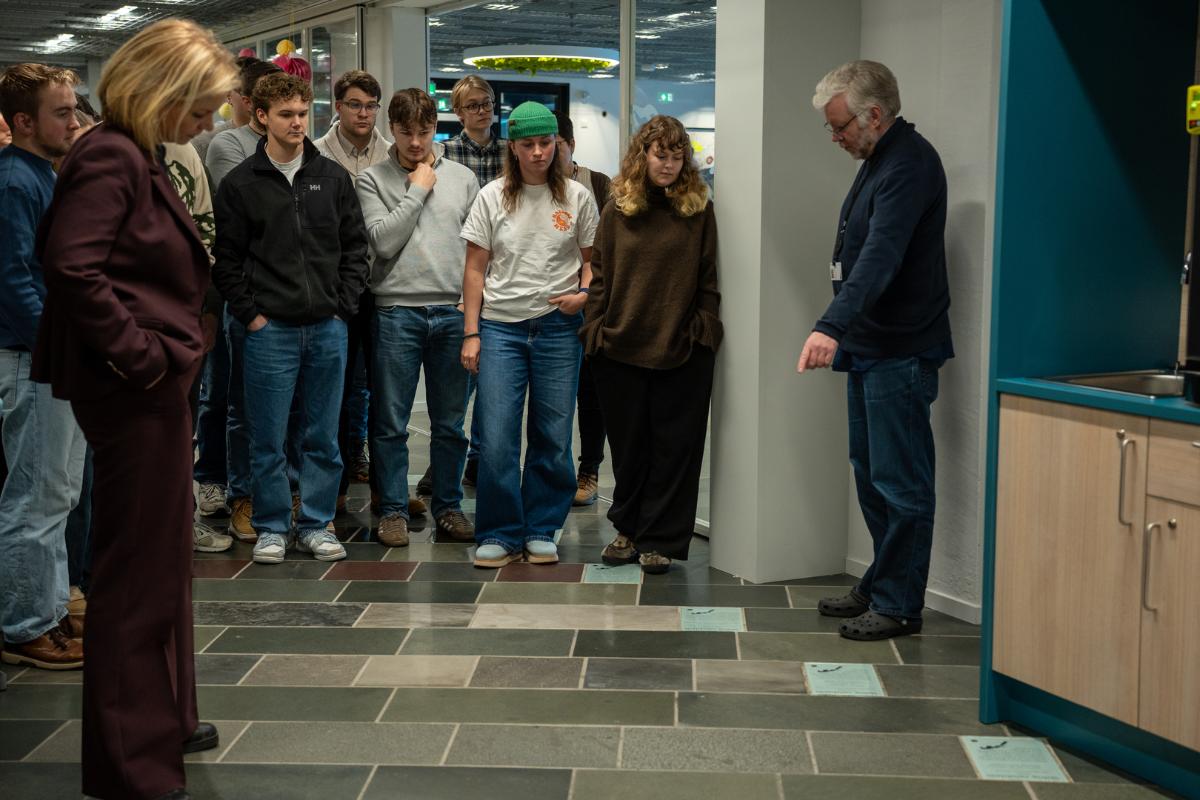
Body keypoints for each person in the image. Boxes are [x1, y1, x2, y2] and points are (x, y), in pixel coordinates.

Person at [32, 19, 236, 798]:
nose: (207, 125)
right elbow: (72, 267)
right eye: (198, 108)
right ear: (162, 93)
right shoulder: (113, 155)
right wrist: (142, 356)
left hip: (148, 388)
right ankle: (130, 764)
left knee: (159, 566)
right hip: (134, 391)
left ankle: (164, 720)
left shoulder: (130, 152)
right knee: (134, 578)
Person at [799, 60, 953, 641]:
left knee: (902, 483)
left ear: (875, 115)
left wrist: (830, 326)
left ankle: (899, 603)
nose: (835, 138)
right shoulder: (877, 159)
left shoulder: (910, 164)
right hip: (870, 346)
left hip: (901, 349)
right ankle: (880, 581)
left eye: (839, 127)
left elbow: (880, 258)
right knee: (870, 474)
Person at [212, 71, 369, 565]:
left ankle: (318, 523)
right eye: (286, 115)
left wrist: (342, 307)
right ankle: (273, 526)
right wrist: (251, 315)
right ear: (262, 118)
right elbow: (227, 260)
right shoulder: (242, 183)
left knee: (323, 435)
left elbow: (355, 250)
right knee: (269, 437)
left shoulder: (332, 177)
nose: (297, 123)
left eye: (303, 113)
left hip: (327, 327)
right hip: (268, 330)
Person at [580, 115, 720, 575]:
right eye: (661, 154)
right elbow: (598, 273)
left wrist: (704, 327)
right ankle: (628, 529)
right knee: (630, 447)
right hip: (619, 345)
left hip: (682, 347)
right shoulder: (618, 207)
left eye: (678, 156)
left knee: (675, 449)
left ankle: (660, 540)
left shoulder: (698, 207)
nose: (670, 164)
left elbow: (707, 276)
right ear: (643, 156)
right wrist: (594, 327)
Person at [460, 101, 598, 568]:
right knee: (496, 436)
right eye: (528, 144)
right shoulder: (492, 196)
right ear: (512, 148)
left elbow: (592, 261)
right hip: (501, 327)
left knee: (553, 435)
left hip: (559, 328)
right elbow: (475, 270)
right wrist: (471, 333)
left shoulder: (577, 196)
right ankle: (498, 531)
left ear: (558, 144)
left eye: (546, 143)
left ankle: (541, 527)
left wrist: (584, 292)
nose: (538, 152)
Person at [358, 88, 479, 549]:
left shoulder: (464, 178)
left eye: (424, 131)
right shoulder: (371, 180)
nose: (415, 142)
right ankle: (391, 510)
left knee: (450, 424)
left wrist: (474, 317)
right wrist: (418, 190)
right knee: (390, 422)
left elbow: (476, 253)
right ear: (391, 128)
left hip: (451, 311)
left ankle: (448, 506)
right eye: (406, 132)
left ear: (436, 128)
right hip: (395, 312)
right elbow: (383, 243)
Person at [0, 63, 87, 670]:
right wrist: (56, 350)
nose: (75, 122)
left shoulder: (41, 174)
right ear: (24, 121)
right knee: (34, 496)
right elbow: (15, 283)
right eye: (62, 113)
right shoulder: (15, 181)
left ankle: (50, 607)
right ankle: (24, 625)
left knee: (56, 492)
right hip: (34, 362)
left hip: (52, 359)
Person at [314, 70, 426, 519]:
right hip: (336, 290)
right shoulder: (316, 154)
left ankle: (388, 494)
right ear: (337, 106)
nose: (364, 112)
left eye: (371, 105)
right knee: (335, 397)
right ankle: (332, 492)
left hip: (383, 290)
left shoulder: (392, 153)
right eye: (355, 104)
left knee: (386, 399)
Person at [202, 56, 281, 541]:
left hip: (287, 298)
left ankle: (276, 492)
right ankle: (223, 484)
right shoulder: (224, 145)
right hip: (237, 292)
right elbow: (252, 213)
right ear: (257, 110)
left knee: (278, 407)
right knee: (229, 397)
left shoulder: (301, 150)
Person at [442, 74, 507, 489]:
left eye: (485, 104)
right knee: (459, 381)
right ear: (458, 111)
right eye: (471, 106)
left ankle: (480, 459)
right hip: (461, 271)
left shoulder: (510, 153)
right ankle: (447, 459)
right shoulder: (444, 154)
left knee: (495, 381)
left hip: (504, 274)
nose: (480, 111)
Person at [554, 112, 612, 507]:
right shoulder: (531, 186)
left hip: (592, 307)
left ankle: (588, 470)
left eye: (555, 144)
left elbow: (608, 248)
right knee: (554, 398)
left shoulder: (598, 184)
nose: (546, 152)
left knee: (590, 397)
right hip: (549, 308)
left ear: (571, 144)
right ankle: (553, 474)